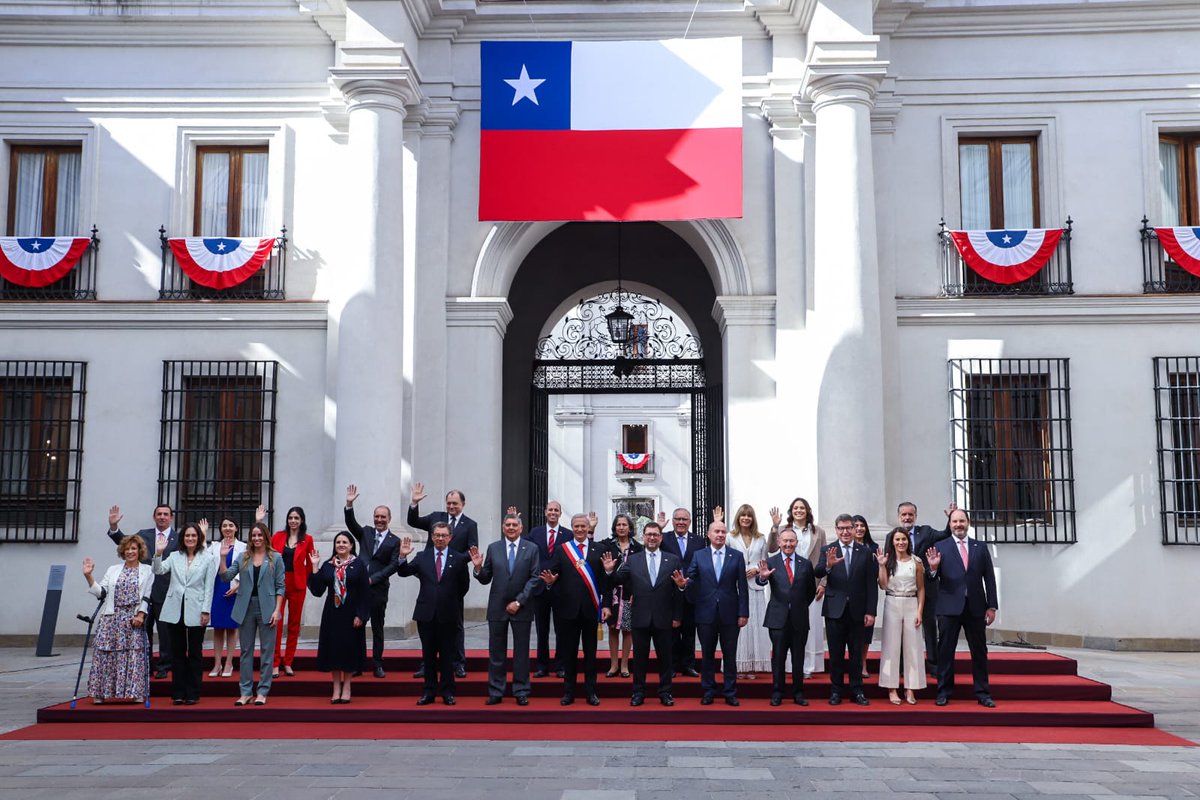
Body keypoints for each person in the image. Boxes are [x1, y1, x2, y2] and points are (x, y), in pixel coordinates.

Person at [605, 521, 687, 706]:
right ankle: (638, 692)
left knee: (665, 658)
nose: (652, 538)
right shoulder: (633, 560)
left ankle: (665, 692)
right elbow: (617, 580)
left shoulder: (672, 559)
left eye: (655, 535)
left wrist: (677, 615)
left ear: (661, 538)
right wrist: (609, 572)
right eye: (649, 534)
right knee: (640, 659)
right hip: (640, 617)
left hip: (664, 617)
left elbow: (678, 590)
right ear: (643, 537)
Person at [926, 508, 998, 708]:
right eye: (955, 521)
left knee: (979, 652)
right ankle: (943, 692)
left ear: (968, 522)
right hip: (948, 608)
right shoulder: (940, 546)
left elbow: (989, 578)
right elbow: (931, 579)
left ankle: (983, 693)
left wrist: (992, 606)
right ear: (949, 524)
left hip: (976, 607)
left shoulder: (980, 547)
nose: (958, 525)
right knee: (945, 652)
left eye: (961, 521)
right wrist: (933, 568)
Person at [469, 511, 543, 705]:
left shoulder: (532, 549)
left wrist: (519, 601)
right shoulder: (494, 548)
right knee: (496, 652)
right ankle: (496, 691)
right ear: (503, 528)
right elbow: (486, 578)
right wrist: (478, 568)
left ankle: (521, 690)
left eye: (514, 525)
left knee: (521, 653)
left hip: (522, 607)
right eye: (508, 525)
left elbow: (535, 578)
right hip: (497, 607)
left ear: (521, 528)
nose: (511, 528)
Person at [395, 522, 471, 705]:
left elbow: (464, 586)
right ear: (432, 536)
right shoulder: (422, 556)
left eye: (444, 535)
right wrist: (402, 557)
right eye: (437, 535)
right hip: (426, 614)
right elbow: (404, 572)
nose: (440, 538)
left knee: (447, 656)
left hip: (448, 614)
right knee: (428, 656)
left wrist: (448, 600)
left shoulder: (459, 558)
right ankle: (429, 692)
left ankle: (447, 692)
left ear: (450, 538)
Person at [408, 482, 477, 678]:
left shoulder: (470, 524)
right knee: (429, 623)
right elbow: (413, 521)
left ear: (463, 504)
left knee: (456, 624)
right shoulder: (435, 517)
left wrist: (452, 561)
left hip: (454, 580)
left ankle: (458, 663)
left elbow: (472, 550)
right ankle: (426, 664)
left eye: (455, 503)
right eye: (449, 503)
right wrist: (414, 503)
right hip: (432, 577)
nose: (451, 506)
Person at [540, 513, 610, 706]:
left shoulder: (599, 549)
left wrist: (606, 605)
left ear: (588, 528)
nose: (579, 529)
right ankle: (569, 693)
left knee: (590, 655)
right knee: (569, 655)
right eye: (576, 526)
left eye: (583, 526)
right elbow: (553, 574)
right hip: (567, 612)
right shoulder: (562, 550)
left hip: (591, 611)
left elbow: (605, 582)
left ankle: (591, 692)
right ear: (572, 528)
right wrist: (550, 581)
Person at [220, 522, 287, 706]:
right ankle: (246, 692)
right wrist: (223, 558)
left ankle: (263, 691)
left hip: (268, 608)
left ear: (265, 537)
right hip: (245, 607)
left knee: (267, 652)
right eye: (254, 536)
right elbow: (226, 577)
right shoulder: (243, 556)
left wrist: (277, 610)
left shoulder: (276, 558)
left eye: (260, 535)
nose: (257, 538)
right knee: (245, 651)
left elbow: (281, 586)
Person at [106, 503, 176, 678]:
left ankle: (164, 666)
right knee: (143, 630)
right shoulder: (144, 535)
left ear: (171, 517)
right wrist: (114, 527)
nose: (162, 517)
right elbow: (126, 544)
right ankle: (146, 664)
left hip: (166, 591)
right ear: (154, 517)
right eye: (159, 514)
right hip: (142, 592)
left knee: (165, 632)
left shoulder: (178, 538)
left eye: (165, 514)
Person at [814, 513, 878, 706]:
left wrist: (871, 611)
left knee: (856, 655)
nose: (845, 532)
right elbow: (817, 572)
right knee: (836, 655)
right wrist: (828, 565)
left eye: (849, 528)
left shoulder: (865, 552)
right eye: (841, 528)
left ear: (854, 528)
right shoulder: (828, 549)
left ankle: (857, 691)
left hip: (858, 611)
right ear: (836, 530)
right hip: (835, 610)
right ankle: (836, 691)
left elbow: (871, 584)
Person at [684, 517, 749, 706]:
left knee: (730, 655)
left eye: (723, 532)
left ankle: (730, 692)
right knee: (707, 655)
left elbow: (742, 587)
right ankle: (708, 691)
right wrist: (684, 584)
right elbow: (691, 579)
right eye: (716, 531)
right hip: (705, 613)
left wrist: (743, 613)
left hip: (730, 614)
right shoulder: (699, 555)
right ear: (709, 534)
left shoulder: (736, 556)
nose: (720, 535)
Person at [82, 536, 153, 704]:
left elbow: (147, 595)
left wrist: (141, 615)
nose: (130, 552)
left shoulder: (148, 570)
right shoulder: (113, 569)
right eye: (127, 549)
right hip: (111, 619)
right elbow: (101, 593)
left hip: (133, 619)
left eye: (133, 548)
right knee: (105, 655)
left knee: (134, 655)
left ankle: (135, 692)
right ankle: (101, 693)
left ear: (139, 551)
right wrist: (89, 576)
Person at [152, 521, 215, 705]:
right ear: (182, 538)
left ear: (199, 537)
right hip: (175, 608)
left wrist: (206, 610)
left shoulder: (208, 558)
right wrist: (158, 553)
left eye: (193, 535)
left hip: (197, 608)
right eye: (187, 535)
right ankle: (178, 693)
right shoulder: (174, 556)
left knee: (195, 652)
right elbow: (158, 570)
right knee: (177, 653)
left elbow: (209, 587)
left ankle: (193, 692)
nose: (190, 538)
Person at [755, 528, 817, 706]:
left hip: (799, 618)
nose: (788, 544)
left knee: (798, 658)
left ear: (796, 543)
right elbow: (761, 581)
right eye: (785, 541)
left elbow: (810, 591)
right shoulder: (771, 562)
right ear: (779, 542)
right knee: (778, 658)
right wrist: (762, 578)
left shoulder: (805, 564)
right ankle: (777, 692)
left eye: (792, 541)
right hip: (777, 618)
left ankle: (798, 693)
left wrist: (798, 606)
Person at [344, 484, 401, 678]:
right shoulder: (366, 532)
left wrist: (372, 579)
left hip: (378, 590)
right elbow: (351, 524)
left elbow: (393, 566)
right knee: (357, 626)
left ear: (389, 519)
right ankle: (357, 663)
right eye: (377, 516)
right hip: (359, 589)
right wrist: (349, 505)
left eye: (383, 517)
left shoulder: (395, 541)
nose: (379, 520)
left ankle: (377, 664)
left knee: (377, 628)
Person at [308, 530, 371, 704]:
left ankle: (347, 686)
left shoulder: (359, 565)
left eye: (344, 542)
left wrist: (361, 615)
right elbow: (317, 590)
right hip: (332, 614)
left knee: (348, 650)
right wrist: (315, 567)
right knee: (334, 650)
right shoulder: (328, 565)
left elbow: (365, 593)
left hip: (352, 614)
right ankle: (336, 687)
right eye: (338, 542)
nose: (341, 545)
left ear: (351, 546)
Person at [769, 497, 827, 678]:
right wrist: (774, 527)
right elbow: (771, 548)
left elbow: (825, 558)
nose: (799, 510)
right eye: (795, 508)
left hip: (811, 585)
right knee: (785, 628)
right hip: (785, 586)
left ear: (807, 510)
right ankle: (788, 666)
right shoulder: (782, 530)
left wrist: (823, 583)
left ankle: (808, 667)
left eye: (802, 508)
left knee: (808, 627)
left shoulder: (818, 531)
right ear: (791, 511)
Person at [897, 500, 954, 674]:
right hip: (903, 590)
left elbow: (945, 534)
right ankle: (902, 665)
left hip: (928, 588)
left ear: (916, 516)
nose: (907, 517)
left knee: (930, 627)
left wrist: (951, 518)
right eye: (904, 514)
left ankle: (933, 664)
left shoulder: (926, 531)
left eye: (910, 514)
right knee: (902, 629)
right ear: (899, 517)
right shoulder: (894, 535)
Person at [876, 526, 926, 705]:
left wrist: (919, 611)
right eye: (897, 539)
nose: (900, 542)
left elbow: (921, 589)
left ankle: (911, 688)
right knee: (891, 646)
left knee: (913, 647)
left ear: (908, 541)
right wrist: (882, 565)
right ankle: (891, 688)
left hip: (911, 602)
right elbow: (883, 585)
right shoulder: (887, 561)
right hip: (892, 601)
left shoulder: (916, 562)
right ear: (892, 542)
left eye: (903, 539)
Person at [722, 504, 770, 678]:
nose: (746, 518)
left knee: (755, 626)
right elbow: (724, 558)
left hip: (755, 587)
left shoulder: (761, 538)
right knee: (739, 627)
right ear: (738, 518)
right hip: (735, 586)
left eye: (749, 516)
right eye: (743, 515)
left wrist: (756, 569)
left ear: (752, 518)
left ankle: (752, 665)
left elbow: (765, 560)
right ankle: (737, 665)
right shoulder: (730, 537)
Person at [525, 499, 570, 678]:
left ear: (560, 514)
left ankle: (560, 666)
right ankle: (542, 667)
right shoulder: (535, 533)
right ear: (545, 512)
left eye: (556, 510)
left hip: (560, 588)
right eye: (550, 509)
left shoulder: (568, 534)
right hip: (540, 588)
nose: (552, 512)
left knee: (562, 630)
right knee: (541, 631)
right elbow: (524, 549)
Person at [270, 505, 316, 678]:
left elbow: (310, 564)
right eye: (291, 518)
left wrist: (304, 578)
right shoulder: (278, 536)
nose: (293, 521)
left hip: (297, 585)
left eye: (296, 518)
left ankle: (288, 662)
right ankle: (275, 663)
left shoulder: (308, 539)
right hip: (279, 583)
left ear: (302, 520)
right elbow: (269, 556)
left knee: (294, 624)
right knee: (276, 623)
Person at [658, 507, 704, 677]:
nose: (681, 522)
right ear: (673, 521)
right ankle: (671, 666)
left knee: (689, 631)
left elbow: (701, 564)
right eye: (678, 519)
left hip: (691, 591)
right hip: (670, 592)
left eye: (684, 519)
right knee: (671, 632)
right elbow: (649, 548)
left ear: (689, 522)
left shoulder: (698, 540)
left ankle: (688, 665)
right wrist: (659, 528)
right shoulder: (664, 538)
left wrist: (690, 581)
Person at [600, 513, 642, 678]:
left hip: (629, 594)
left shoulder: (638, 547)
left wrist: (637, 593)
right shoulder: (607, 545)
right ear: (614, 527)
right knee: (612, 629)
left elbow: (641, 573)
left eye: (625, 525)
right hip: (612, 593)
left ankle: (624, 664)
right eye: (618, 525)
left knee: (627, 629)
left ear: (630, 528)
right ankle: (614, 664)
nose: (621, 527)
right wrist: (591, 530)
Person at [208, 517, 245, 678]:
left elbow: (247, 568)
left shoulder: (243, 547)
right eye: (224, 526)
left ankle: (229, 662)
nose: (228, 528)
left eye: (231, 525)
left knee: (232, 627)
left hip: (235, 589)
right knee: (218, 628)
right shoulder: (214, 546)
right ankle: (217, 664)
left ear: (236, 528)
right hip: (218, 588)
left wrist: (238, 585)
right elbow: (207, 564)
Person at [852, 514, 879, 679]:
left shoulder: (873, 548)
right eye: (856, 526)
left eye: (862, 525)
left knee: (866, 632)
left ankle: (863, 662)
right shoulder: (846, 546)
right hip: (850, 595)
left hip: (867, 593)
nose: (859, 528)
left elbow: (875, 574)